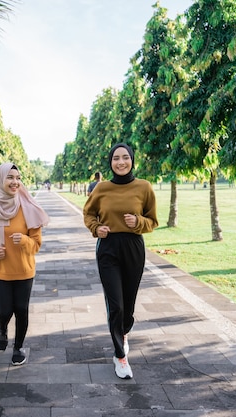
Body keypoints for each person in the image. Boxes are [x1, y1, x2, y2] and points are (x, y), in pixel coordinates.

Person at [82, 143, 158, 379]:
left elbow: (153, 221)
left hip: (134, 247)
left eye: (126, 157)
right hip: (108, 248)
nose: (121, 162)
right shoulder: (102, 188)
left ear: (132, 160)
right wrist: (96, 229)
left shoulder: (144, 187)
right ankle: (120, 356)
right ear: (110, 162)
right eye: (116, 158)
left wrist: (139, 223)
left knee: (129, 304)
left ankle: (124, 332)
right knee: (115, 304)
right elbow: (88, 213)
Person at [0, 162, 49, 366]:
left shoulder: (29, 208)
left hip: (24, 270)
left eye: (18, 178)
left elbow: (36, 244)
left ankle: (18, 347)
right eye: (10, 177)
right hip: (0, 270)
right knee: (5, 311)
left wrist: (25, 241)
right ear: (1, 180)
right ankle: (2, 327)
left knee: (21, 309)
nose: (15, 182)